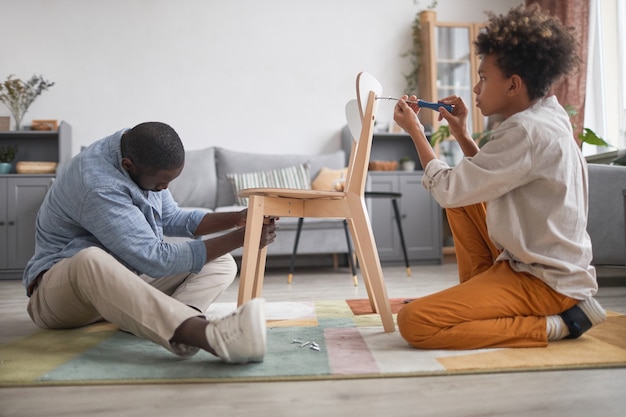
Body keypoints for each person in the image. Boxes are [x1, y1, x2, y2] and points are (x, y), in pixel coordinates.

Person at [393, 4, 606, 350]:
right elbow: (490, 178)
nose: (476, 88)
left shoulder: (524, 131)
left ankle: (557, 325)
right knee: (463, 204)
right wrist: (461, 133)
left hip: (544, 280)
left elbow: (447, 189)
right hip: (534, 264)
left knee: (415, 322)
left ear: (514, 85)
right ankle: (480, 295)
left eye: (483, 77)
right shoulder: (545, 116)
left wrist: (416, 132)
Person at [23, 121, 277, 363]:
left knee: (220, 261)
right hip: (60, 298)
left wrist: (238, 220)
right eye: (160, 184)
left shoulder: (137, 151)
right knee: (89, 259)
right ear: (128, 165)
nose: (165, 188)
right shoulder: (97, 185)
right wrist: (239, 239)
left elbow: (173, 218)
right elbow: (156, 259)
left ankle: (159, 320)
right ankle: (209, 336)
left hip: (119, 288)